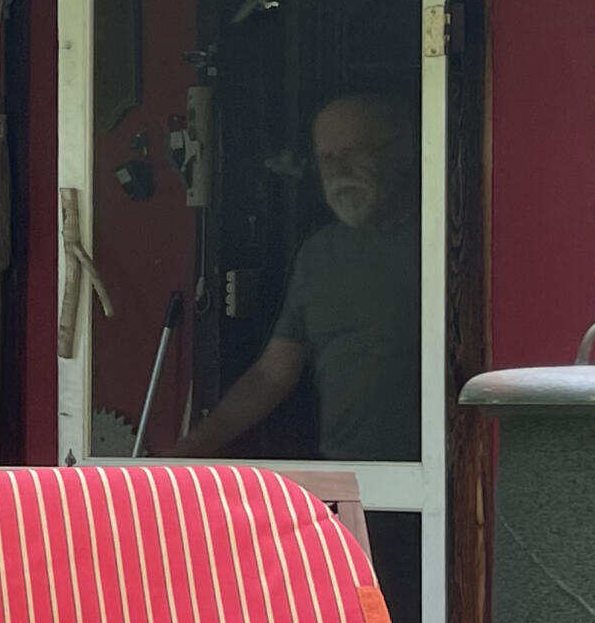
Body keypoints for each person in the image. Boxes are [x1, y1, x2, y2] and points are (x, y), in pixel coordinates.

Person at [175, 92, 419, 463]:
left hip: (432, 484)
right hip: (346, 475)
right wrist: (194, 447)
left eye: (354, 153)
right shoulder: (318, 256)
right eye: (327, 159)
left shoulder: (443, 247)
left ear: (403, 151)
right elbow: (272, 375)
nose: (339, 172)